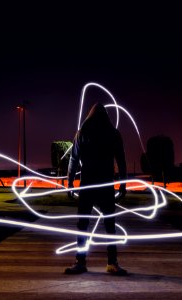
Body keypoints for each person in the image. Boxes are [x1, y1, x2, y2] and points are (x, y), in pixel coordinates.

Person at [64, 103, 128, 275]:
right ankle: (111, 262)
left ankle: (81, 261)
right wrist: (123, 185)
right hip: (103, 183)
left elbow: (73, 159)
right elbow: (121, 160)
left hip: (89, 183)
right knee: (108, 225)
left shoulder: (84, 132)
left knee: (85, 224)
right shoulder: (111, 133)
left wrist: (70, 183)